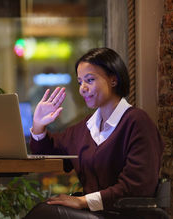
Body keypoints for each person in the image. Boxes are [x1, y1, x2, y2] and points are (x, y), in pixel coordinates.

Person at [24, 48, 164, 219]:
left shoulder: (137, 122)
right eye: (80, 81)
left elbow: (138, 186)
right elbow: (49, 152)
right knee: (47, 208)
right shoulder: (87, 127)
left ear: (113, 79)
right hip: (96, 213)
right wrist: (38, 124)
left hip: (125, 215)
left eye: (90, 80)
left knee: (46, 213)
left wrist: (83, 201)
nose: (82, 88)